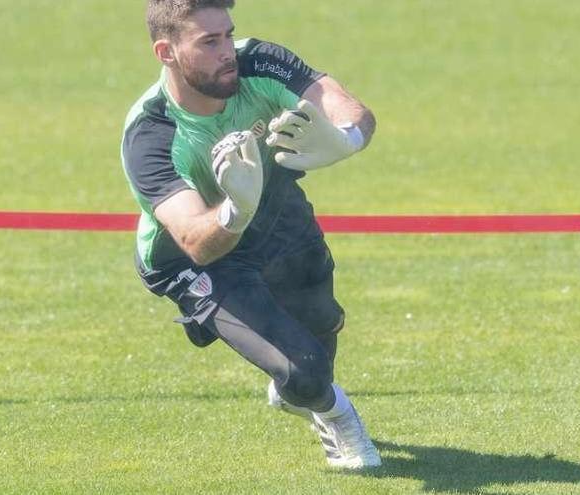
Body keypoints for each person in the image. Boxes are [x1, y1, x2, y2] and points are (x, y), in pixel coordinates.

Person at [121, 0, 380, 469]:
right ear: (167, 52)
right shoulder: (151, 133)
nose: (229, 52)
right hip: (194, 257)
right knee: (304, 374)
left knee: (322, 322)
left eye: (228, 34)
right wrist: (235, 210)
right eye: (209, 41)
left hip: (276, 212)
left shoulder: (259, 60)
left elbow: (349, 107)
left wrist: (346, 140)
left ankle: (306, 387)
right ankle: (336, 415)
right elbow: (195, 241)